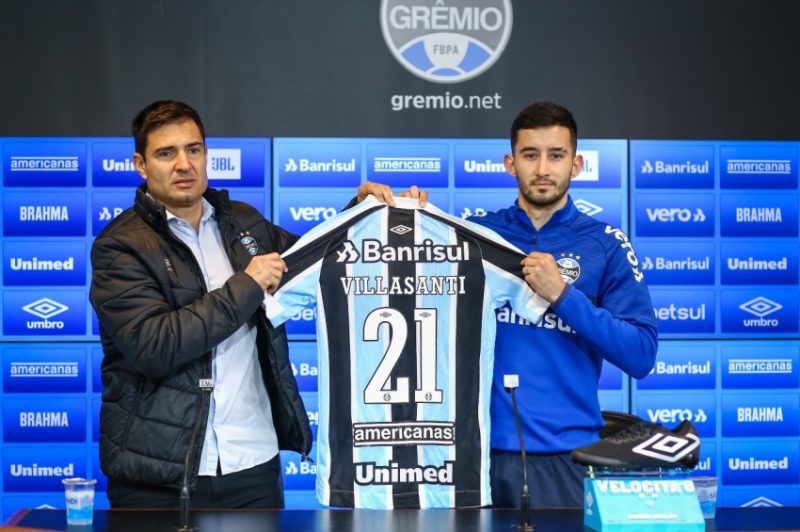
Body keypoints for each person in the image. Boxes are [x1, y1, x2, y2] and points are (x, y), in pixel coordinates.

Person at [89, 100, 415, 509]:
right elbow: (155, 346)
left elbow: (315, 263)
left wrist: (365, 213)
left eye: (193, 150)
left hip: (253, 464)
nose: (183, 164)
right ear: (140, 164)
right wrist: (246, 285)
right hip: (160, 474)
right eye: (166, 153)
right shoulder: (119, 246)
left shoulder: (243, 221)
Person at [468, 101, 658, 508]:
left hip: (569, 459)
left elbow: (641, 355)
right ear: (509, 162)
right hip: (475, 456)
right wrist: (367, 206)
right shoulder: (475, 237)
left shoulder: (605, 243)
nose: (542, 169)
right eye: (530, 155)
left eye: (556, 155)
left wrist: (563, 296)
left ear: (576, 164)